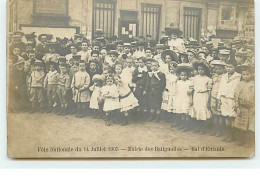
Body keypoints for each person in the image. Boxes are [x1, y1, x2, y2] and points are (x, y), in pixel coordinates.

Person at [217, 59, 241, 142]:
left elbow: (238, 89)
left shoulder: (238, 77)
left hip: (232, 99)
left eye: (230, 67)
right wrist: (219, 98)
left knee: (232, 117)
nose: (228, 68)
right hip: (224, 98)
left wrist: (237, 100)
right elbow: (220, 87)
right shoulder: (224, 76)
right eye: (227, 67)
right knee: (226, 116)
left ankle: (233, 135)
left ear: (235, 67)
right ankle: (228, 134)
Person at [234, 64, 255, 147]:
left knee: (250, 125)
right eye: (243, 74)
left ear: (252, 74)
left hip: (251, 107)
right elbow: (236, 95)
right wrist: (237, 106)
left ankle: (248, 141)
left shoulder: (254, 84)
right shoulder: (240, 84)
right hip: (242, 107)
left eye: (247, 74)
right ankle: (241, 140)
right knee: (241, 125)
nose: (245, 76)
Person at [190, 59, 213, 135]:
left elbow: (209, 91)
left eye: (202, 69)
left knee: (203, 110)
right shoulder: (195, 78)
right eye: (199, 69)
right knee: (197, 110)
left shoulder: (208, 79)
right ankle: (198, 127)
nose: (200, 71)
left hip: (204, 95)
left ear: (205, 70)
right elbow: (192, 89)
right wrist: (191, 97)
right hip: (196, 95)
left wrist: (208, 101)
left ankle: (204, 128)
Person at [209, 60, 226, 137]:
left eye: (219, 69)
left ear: (223, 69)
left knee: (220, 114)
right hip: (213, 96)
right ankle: (215, 129)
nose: (217, 70)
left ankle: (221, 130)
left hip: (220, 97)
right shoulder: (213, 76)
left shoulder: (225, 77)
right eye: (216, 69)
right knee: (214, 113)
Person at [174, 64, 193, 131]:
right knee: (181, 111)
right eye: (182, 75)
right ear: (179, 75)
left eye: (185, 75)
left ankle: (187, 125)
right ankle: (182, 124)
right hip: (180, 98)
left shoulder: (189, 82)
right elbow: (176, 90)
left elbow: (190, 92)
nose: (183, 77)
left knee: (186, 112)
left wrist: (191, 99)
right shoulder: (178, 82)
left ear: (187, 76)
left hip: (186, 98)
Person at [132, 57, 148, 121]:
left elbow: (148, 81)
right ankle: (138, 115)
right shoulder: (136, 70)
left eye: (141, 62)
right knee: (138, 100)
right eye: (139, 62)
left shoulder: (147, 70)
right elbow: (133, 80)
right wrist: (137, 76)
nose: (140, 64)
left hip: (144, 87)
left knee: (144, 101)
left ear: (144, 63)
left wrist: (146, 89)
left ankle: (144, 116)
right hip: (138, 87)